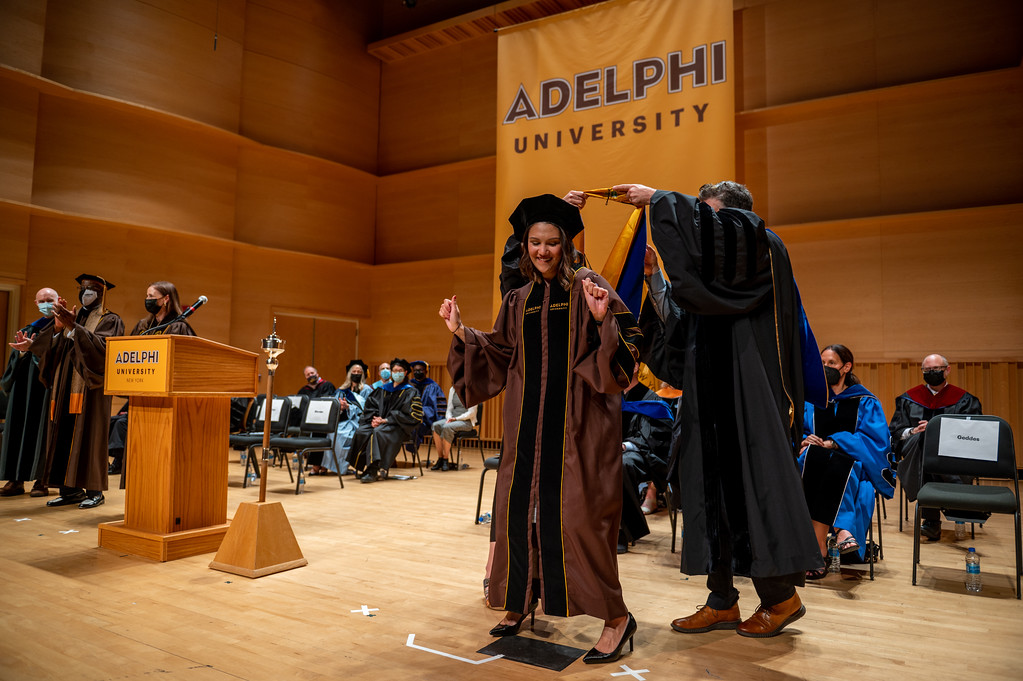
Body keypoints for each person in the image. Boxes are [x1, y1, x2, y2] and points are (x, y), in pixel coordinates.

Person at [576, 181, 824, 639]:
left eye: (704, 219)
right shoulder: (717, 282)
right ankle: (722, 600)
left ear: (735, 220)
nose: (696, 231)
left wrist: (659, 200)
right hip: (710, 399)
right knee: (710, 499)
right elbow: (677, 325)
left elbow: (715, 247)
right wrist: (644, 284)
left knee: (754, 493)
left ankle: (781, 598)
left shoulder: (762, 245)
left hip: (749, 398)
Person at [441, 193, 640, 664]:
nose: (543, 251)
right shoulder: (519, 299)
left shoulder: (589, 286)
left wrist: (600, 319)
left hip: (578, 431)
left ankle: (616, 618)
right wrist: (462, 334)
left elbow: (629, 347)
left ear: (566, 245)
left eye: (552, 243)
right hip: (527, 431)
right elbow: (501, 353)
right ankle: (519, 599)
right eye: (535, 243)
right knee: (515, 516)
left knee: (580, 522)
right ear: (525, 245)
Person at [16, 274, 124, 508]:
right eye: (82, 289)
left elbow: (103, 351)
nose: (86, 293)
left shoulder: (110, 319)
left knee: (90, 437)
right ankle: (69, 491)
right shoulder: (70, 317)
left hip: (90, 389)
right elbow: (54, 348)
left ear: (101, 294)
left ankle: (95, 491)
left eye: (92, 289)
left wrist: (73, 327)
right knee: (62, 435)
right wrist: (38, 343)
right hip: (64, 386)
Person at [798, 344, 894, 577]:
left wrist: (836, 442)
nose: (825, 368)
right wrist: (804, 439)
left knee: (836, 462)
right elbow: (795, 430)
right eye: (822, 363)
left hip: (854, 462)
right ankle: (841, 532)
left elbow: (874, 440)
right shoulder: (811, 399)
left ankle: (817, 550)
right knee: (817, 458)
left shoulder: (865, 400)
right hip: (813, 459)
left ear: (846, 367)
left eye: (831, 363)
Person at [890, 353, 982, 541]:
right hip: (916, 447)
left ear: (947, 370)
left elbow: (974, 431)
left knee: (930, 442)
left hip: (953, 450)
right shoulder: (909, 399)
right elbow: (896, 431)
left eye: (936, 369)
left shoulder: (964, 399)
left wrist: (940, 430)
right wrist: (914, 431)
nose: (931, 373)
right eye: (927, 370)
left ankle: (931, 520)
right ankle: (960, 502)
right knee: (924, 440)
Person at [109, 281, 197, 476]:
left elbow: (188, 361)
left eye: (152, 296)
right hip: (143, 390)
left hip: (166, 396)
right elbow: (130, 353)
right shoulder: (143, 326)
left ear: (166, 299)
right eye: (147, 296)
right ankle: (122, 462)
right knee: (117, 422)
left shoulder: (179, 327)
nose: (147, 300)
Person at [1, 288, 60, 498]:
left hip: (45, 389)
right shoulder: (29, 329)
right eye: (42, 301)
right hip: (23, 390)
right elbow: (13, 363)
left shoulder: (61, 329)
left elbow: (58, 359)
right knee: (17, 431)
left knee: (41, 434)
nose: (46, 304)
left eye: (49, 300)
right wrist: (20, 353)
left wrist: (34, 350)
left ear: (58, 301)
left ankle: (41, 481)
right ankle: (15, 480)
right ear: (36, 303)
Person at [619, 364, 673, 552]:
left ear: (634, 367)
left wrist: (626, 446)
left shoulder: (651, 400)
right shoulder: (611, 397)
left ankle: (624, 533)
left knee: (622, 464)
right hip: (613, 453)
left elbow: (658, 437)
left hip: (643, 455)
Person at [347, 358, 422, 483]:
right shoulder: (382, 389)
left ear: (406, 373)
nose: (397, 373)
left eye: (400, 370)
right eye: (394, 370)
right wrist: (374, 419)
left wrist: (386, 420)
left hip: (398, 426)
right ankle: (362, 467)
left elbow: (413, 414)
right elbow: (370, 406)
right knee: (362, 431)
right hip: (380, 423)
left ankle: (372, 469)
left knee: (379, 432)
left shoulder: (411, 391)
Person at [317, 360, 372, 476]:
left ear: (362, 374)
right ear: (349, 374)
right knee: (330, 432)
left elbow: (368, 409)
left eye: (359, 372)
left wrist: (349, 407)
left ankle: (341, 467)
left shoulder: (366, 389)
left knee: (341, 435)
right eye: (354, 371)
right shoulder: (341, 389)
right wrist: (341, 408)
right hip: (342, 420)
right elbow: (334, 406)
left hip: (357, 421)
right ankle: (330, 466)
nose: (356, 373)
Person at [429, 386, 478, 471]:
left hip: (466, 421)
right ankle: (440, 458)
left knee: (447, 427)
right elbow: (449, 408)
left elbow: (471, 412)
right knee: (435, 425)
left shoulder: (473, 390)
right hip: (452, 419)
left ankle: (445, 459)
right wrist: (449, 418)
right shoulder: (453, 389)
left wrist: (456, 419)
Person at [409, 359, 445, 448]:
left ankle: (412, 447)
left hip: (427, 419)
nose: (418, 372)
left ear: (426, 371)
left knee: (416, 426)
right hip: (410, 417)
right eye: (415, 371)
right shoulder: (409, 386)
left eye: (420, 370)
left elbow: (440, 405)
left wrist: (439, 422)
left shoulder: (433, 386)